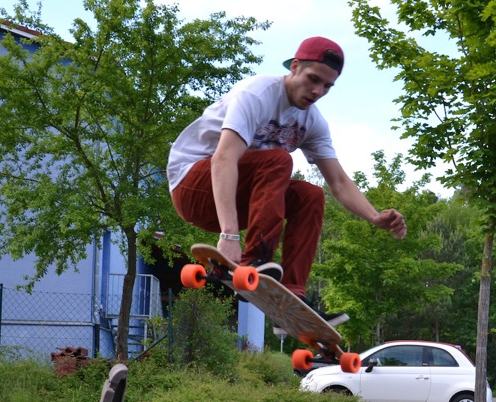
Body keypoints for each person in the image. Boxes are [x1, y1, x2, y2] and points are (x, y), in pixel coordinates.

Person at [167, 36, 407, 325]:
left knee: (310, 195)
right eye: (313, 79)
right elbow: (224, 159)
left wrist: (374, 216)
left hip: (237, 197)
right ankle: (255, 259)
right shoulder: (256, 94)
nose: (318, 91)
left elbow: (339, 182)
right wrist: (230, 237)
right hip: (192, 185)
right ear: (294, 67)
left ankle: (293, 292)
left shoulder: (312, 122)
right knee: (278, 159)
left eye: (327, 86)